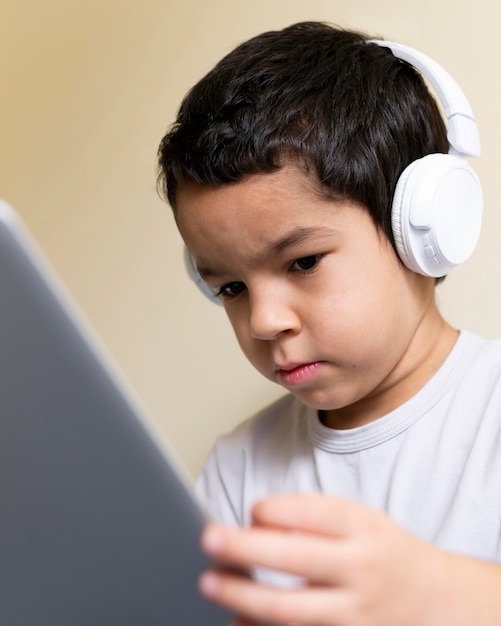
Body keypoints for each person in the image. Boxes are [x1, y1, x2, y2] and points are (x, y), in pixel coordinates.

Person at [157, 21, 501, 626]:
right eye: (231, 288)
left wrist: (439, 595)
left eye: (303, 262)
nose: (264, 321)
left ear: (420, 229)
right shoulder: (239, 471)